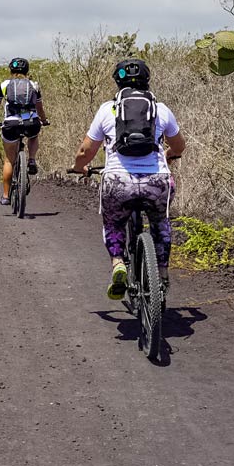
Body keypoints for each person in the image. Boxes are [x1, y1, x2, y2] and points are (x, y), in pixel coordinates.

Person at [69, 58, 187, 300]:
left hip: (118, 182)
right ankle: (162, 273)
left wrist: (79, 167)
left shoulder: (107, 110)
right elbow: (179, 145)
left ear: (117, 82)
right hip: (157, 181)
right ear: (147, 81)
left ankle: (118, 263)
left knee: (113, 224)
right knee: (160, 224)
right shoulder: (160, 109)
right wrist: (170, 154)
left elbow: (86, 151)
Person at [0, 57, 47, 206]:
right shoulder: (34, 85)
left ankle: (5, 196)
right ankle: (31, 159)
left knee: (8, 160)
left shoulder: (4, 85)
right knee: (33, 135)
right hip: (30, 122)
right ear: (27, 71)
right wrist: (44, 120)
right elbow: (40, 108)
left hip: (11, 124)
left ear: (11, 70)